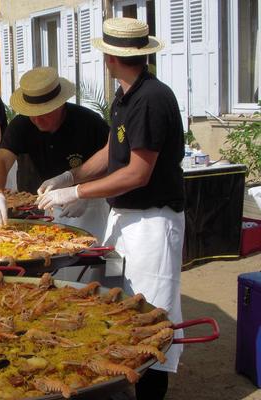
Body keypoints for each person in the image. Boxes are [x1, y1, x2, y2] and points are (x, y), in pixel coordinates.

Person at [34, 18, 185, 400]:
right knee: (124, 307)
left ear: (111, 58)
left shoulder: (151, 99)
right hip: (128, 217)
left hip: (152, 220)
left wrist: (79, 192)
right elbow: (111, 152)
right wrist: (69, 177)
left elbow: (137, 172)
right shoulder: (126, 95)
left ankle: (151, 393)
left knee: (154, 318)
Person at [0, 67, 109, 240]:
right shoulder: (21, 124)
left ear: (60, 104)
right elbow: (2, 160)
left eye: (44, 113)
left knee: (88, 258)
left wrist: (84, 195)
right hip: (46, 206)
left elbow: (113, 161)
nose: (37, 120)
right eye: (32, 114)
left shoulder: (90, 123)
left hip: (88, 206)